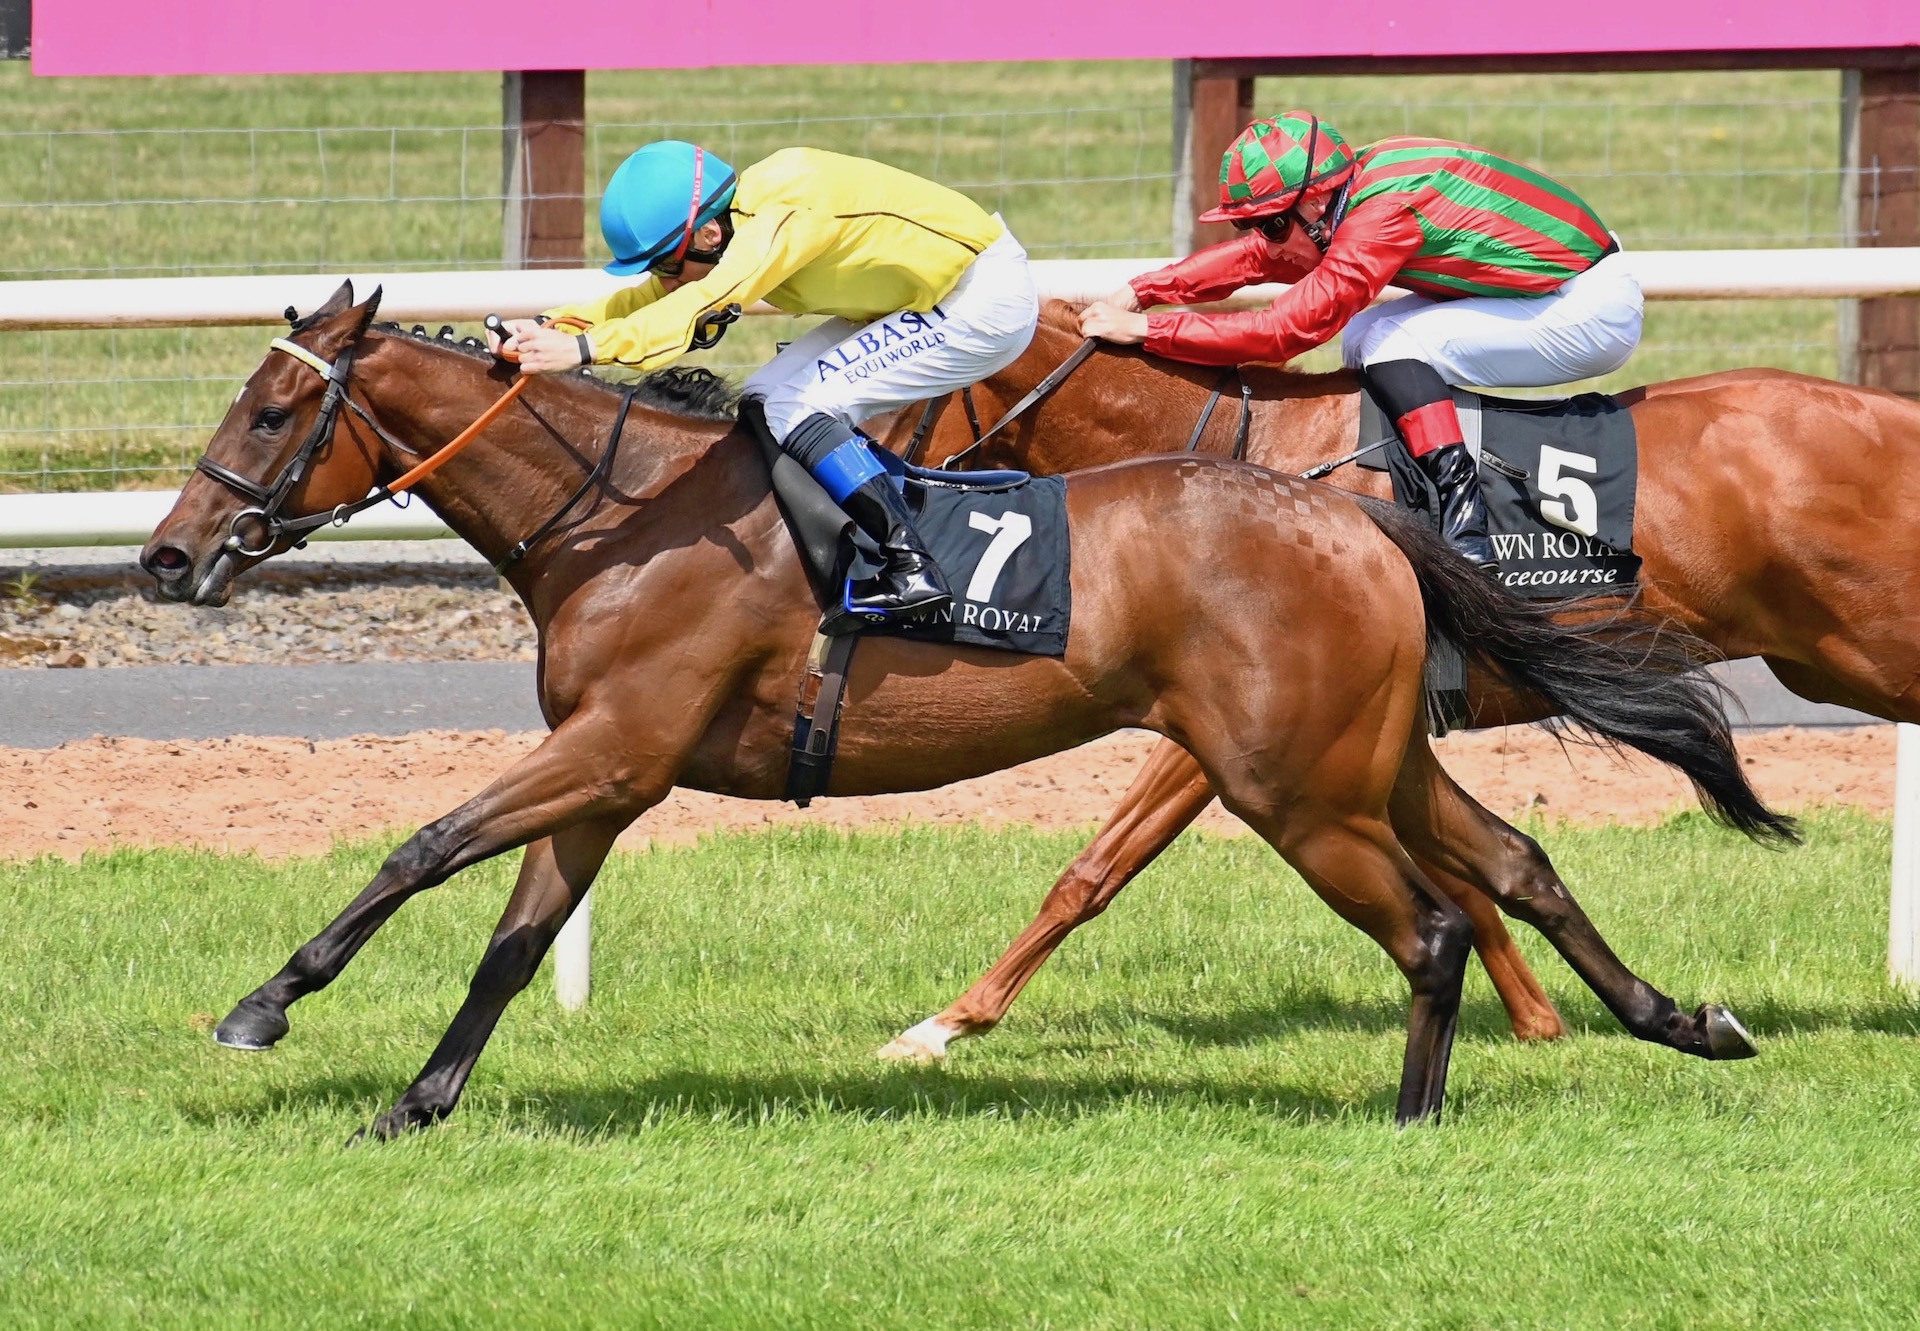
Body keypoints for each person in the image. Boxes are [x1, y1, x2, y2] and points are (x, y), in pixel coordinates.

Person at [493, 141, 1039, 621]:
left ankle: (910, 563)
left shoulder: (781, 214)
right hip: (926, 296)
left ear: (709, 233)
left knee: (800, 409)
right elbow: (661, 298)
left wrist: (585, 350)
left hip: (978, 300)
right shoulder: (735, 223)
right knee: (763, 399)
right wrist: (556, 325)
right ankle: (856, 537)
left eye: (666, 264)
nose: (664, 279)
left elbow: (703, 299)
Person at [1078, 112, 1641, 568]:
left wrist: (1151, 329)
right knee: (1367, 335)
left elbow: (1283, 332)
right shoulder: (1352, 188)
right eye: (1251, 225)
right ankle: (1415, 472)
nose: (1265, 241)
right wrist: (1144, 289)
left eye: (1272, 223)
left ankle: (1464, 515)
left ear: (1315, 201)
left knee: (1394, 343)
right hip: (1548, 288)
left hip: (1587, 309)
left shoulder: (1382, 215)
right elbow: (1260, 261)